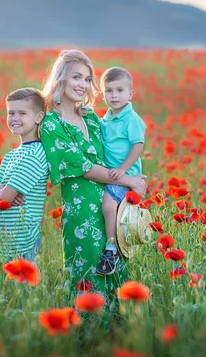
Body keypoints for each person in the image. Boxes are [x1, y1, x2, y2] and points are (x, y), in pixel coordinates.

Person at [39, 49, 147, 301]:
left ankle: (119, 334)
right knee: (88, 276)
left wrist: (133, 177)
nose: (82, 84)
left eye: (87, 79)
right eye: (76, 77)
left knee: (117, 275)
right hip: (83, 212)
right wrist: (127, 180)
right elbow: (83, 167)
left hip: (112, 205)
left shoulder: (90, 117)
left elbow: (116, 152)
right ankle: (88, 336)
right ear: (61, 78)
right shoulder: (51, 124)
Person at [0, 87, 48, 262]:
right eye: (11, 113)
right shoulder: (12, 155)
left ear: (39, 117)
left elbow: (3, 200)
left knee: (22, 287)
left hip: (23, 241)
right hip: (4, 240)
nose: (15, 118)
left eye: (22, 113)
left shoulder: (35, 155)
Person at [96, 67, 147, 275]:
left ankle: (111, 250)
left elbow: (138, 145)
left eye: (119, 90)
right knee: (115, 213)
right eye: (109, 91)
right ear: (102, 94)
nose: (114, 95)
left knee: (109, 207)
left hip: (124, 175)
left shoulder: (131, 119)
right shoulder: (106, 119)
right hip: (113, 174)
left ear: (130, 94)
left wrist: (124, 170)